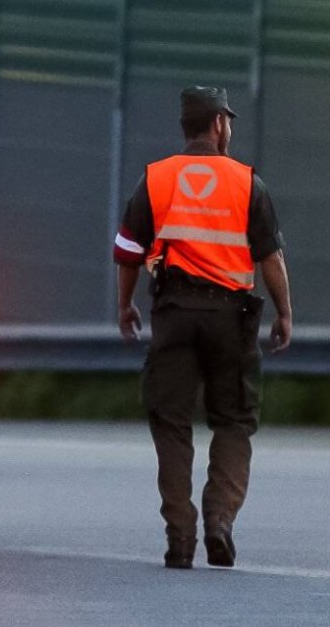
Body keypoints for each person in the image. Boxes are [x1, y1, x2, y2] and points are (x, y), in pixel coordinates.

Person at [113, 85, 292, 570]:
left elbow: (129, 252)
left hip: (173, 315)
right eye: (227, 121)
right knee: (234, 421)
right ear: (218, 125)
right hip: (231, 321)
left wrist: (125, 305)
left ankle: (180, 538)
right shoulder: (246, 182)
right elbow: (270, 258)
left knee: (171, 424)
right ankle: (219, 521)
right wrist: (285, 313)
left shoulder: (155, 180)